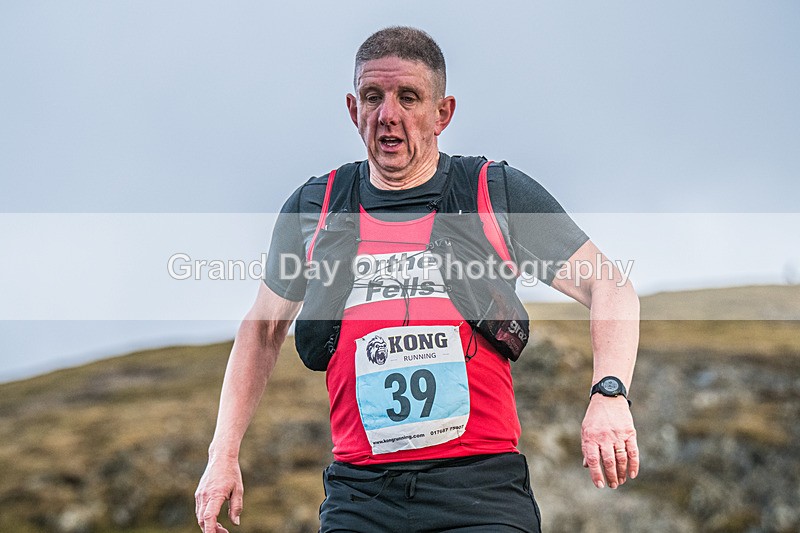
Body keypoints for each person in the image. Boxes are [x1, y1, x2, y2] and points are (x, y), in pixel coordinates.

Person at [195, 26, 639, 533]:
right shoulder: (314, 208)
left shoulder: (492, 193)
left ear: (442, 113)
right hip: (359, 497)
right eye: (372, 97)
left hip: (480, 496)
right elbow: (263, 328)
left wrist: (610, 394)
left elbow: (611, 285)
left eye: (408, 97)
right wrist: (222, 454)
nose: (388, 114)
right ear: (351, 109)